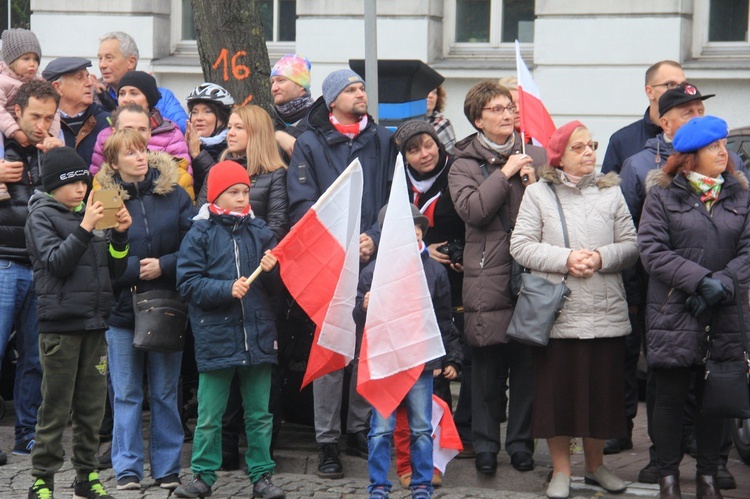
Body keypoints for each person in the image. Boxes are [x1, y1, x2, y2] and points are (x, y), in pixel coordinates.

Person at [619, 83, 741, 488]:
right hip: (674, 311)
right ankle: (668, 475)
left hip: (724, 311)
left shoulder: (741, 195)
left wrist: (722, 283)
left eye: (724, 144)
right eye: (714, 147)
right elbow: (651, 251)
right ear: (690, 158)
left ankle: (708, 473)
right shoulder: (663, 197)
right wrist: (699, 281)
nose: (723, 152)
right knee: (669, 399)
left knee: (715, 398)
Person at [510, 121, 638, 499]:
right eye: (579, 147)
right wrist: (566, 259)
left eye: (592, 145)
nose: (589, 153)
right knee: (558, 399)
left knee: (601, 397)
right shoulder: (538, 194)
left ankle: (596, 467)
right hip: (559, 315)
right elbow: (520, 246)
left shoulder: (611, 194)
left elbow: (631, 245)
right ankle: (562, 472)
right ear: (559, 156)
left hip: (605, 312)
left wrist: (600, 257)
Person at [287, 68, 397, 478]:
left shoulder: (384, 140)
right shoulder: (310, 143)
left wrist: (373, 235)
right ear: (333, 100)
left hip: (373, 260)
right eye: (352, 89)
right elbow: (303, 205)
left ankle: (359, 429)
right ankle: (327, 441)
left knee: (367, 349)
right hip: (330, 261)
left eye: (363, 87)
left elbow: (393, 197)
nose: (361, 93)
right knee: (332, 351)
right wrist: (342, 243)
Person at [447, 79, 545, 476]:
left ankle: (521, 444)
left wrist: (535, 185)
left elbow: (551, 215)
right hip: (487, 276)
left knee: (526, 367)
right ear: (477, 119)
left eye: (510, 107)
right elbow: (472, 211)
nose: (508, 114)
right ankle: (486, 445)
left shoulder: (536, 154)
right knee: (487, 369)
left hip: (531, 274)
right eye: (497, 109)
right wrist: (504, 173)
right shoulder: (463, 163)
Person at [24, 146, 131, 499]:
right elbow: (56, 262)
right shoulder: (40, 216)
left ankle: (87, 477)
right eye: (71, 184)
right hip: (60, 327)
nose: (80, 189)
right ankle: (42, 479)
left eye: (83, 182)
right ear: (53, 187)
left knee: (91, 409)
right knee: (54, 407)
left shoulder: (92, 216)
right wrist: (85, 228)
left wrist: (119, 236)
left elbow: (115, 271)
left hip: (95, 324)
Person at [175, 160, 285, 499]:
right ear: (215, 196)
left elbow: (279, 288)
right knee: (210, 414)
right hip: (216, 338)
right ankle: (203, 476)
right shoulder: (199, 233)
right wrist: (226, 289)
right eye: (233, 192)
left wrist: (271, 269)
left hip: (258, 337)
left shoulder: (260, 230)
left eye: (245, 192)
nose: (241, 198)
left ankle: (262, 477)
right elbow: (188, 284)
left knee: (259, 414)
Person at [93, 128, 195, 491]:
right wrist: (137, 268)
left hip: (167, 302)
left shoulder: (176, 194)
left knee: (166, 391)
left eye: (142, 150)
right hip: (122, 308)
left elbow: (195, 247)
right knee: (126, 391)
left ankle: (167, 468)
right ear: (113, 162)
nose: (140, 157)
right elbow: (101, 259)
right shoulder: (105, 200)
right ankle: (128, 469)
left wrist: (164, 264)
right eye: (130, 153)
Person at [358, 204, 456, 499]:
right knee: (381, 429)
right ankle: (377, 485)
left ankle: (422, 483)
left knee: (422, 428)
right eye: (403, 228)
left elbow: (443, 318)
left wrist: (447, 357)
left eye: (416, 227)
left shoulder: (435, 270)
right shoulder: (372, 272)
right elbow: (357, 318)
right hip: (386, 362)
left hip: (421, 361)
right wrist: (363, 307)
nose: (412, 232)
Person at [0, 79, 63, 463]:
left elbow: (75, 202)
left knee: (35, 357)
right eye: (35, 116)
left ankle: (26, 434)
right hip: (5, 261)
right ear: (17, 112)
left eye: (49, 117)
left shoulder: (54, 150)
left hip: (42, 268)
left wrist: (60, 162)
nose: (42, 124)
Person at [195, 104, 289, 238]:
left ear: (258, 133)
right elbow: (199, 218)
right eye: (229, 127)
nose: (230, 133)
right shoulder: (217, 170)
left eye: (238, 127)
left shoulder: (276, 175)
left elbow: (277, 228)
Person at [0, 28, 60, 201]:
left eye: (35, 59)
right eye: (26, 59)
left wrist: (51, 135)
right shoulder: (3, 80)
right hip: (7, 128)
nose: (32, 64)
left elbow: (55, 114)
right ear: (11, 61)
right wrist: (15, 132)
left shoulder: (40, 84)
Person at [90, 71, 191, 173]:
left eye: (133, 93)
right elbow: (98, 178)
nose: (126, 99)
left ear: (148, 100)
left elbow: (182, 178)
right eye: (122, 94)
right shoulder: (106, 135)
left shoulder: (171, 135)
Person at [602, 61, 685, 175]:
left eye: (683, 85)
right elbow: (609, 190)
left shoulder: (697, 137)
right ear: (650, 92)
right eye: (670, 85)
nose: (680, 91)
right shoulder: (622, 140)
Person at [94, 31, 188, 132]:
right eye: (100, 58)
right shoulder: (91, 97)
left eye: (109, 58)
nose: (102, 65)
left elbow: (184, 130)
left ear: (131, 62)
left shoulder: (163, 97)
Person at [43, 57, 111, 166]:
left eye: (87, 76)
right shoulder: (45, 126)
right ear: (57, 87)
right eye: (79, 78)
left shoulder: (107, 122)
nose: (89, 83)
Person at [184, 82, 234, 196]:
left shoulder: (232, 148)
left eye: (208, 111)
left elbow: (222, 186)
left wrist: (197, 154)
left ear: (223, 118)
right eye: (194, 112)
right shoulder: (181, 143)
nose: (199, 118)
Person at [270, 54, 314, 160]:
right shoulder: (270, 123)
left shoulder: (319, 120)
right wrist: (276, 136)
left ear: (301, 86)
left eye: (281, 80)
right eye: (272, 82)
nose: (274, 88)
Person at [425, 85, 455, 154]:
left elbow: (452, 156)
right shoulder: (406, 122)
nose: (430, 96)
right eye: (426, 92)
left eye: (434, 92)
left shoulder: (442, 124)